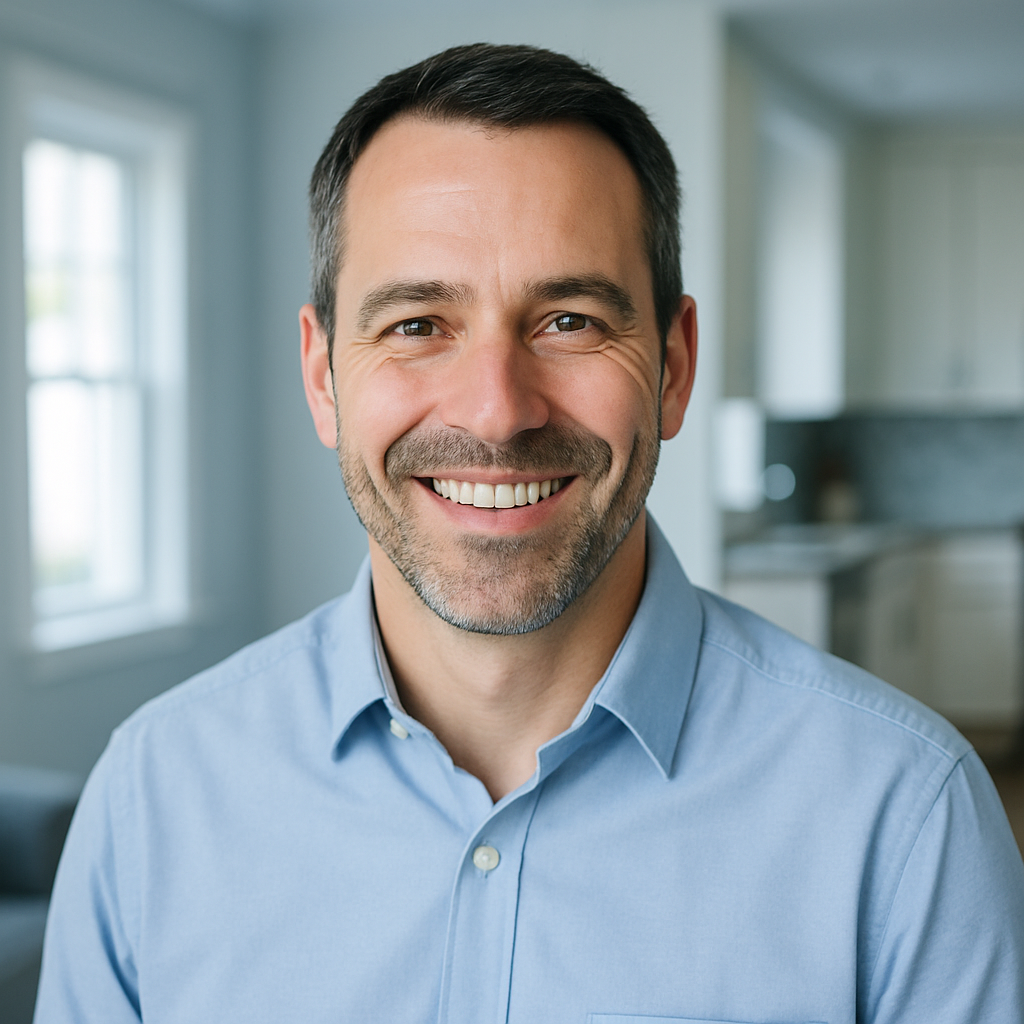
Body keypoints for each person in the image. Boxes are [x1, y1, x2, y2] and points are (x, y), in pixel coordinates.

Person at [36, 43, 1024, 1024]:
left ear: (674, 366)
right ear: (323, 375)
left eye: (570, 320)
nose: (499, 411)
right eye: (418, 323)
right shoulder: (151, 796)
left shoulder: (905, 816)